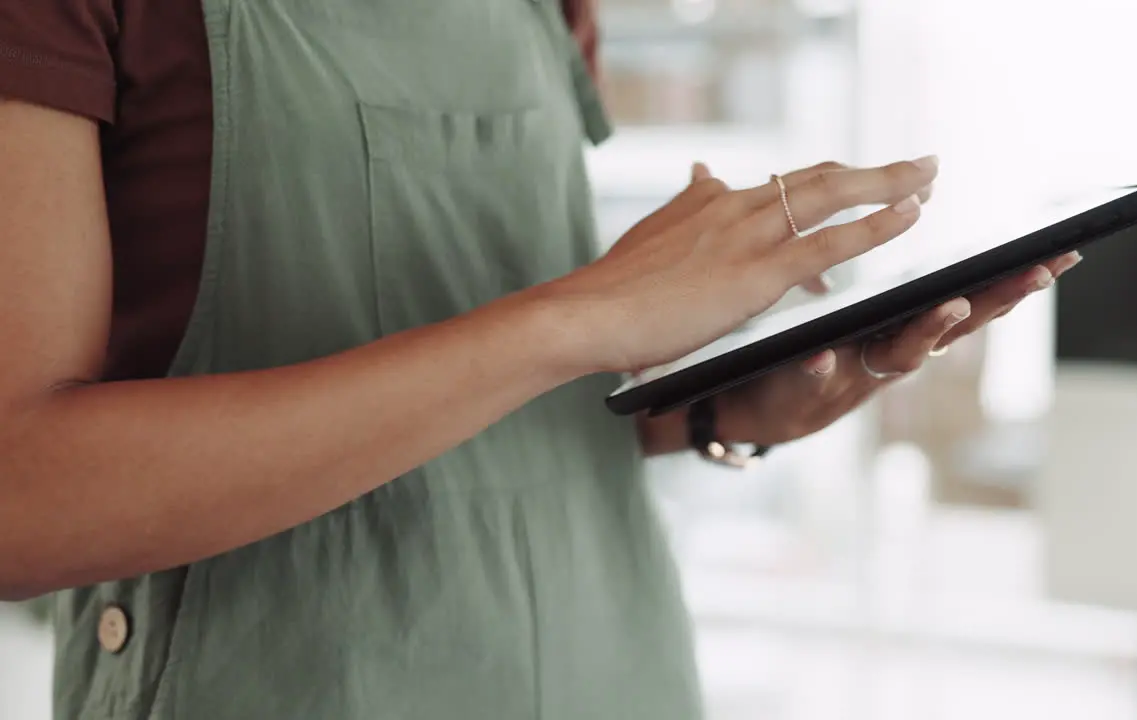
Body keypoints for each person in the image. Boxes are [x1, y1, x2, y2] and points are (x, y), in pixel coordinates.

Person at [0, 1, 1079, 718]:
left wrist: (706, 413)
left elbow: (491, 400)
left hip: (615, 674)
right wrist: (577, 317)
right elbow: (23, 496)